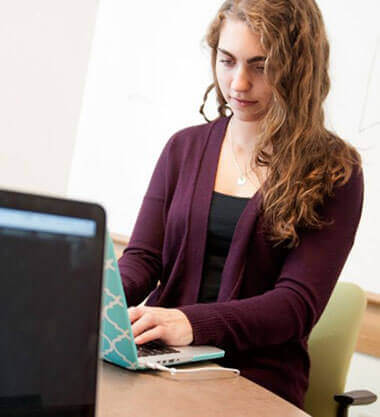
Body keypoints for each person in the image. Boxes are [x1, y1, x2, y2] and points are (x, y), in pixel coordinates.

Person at [118, 0, 363, 408]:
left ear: (298, 68)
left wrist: (191, 324)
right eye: (227, 60)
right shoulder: (184, 147)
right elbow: (144, 259)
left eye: (261, 66)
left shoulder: (334, 170)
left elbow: (295, 306)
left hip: (256, 383)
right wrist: (100, 299)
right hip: (160, 366)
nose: (238, 84)